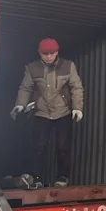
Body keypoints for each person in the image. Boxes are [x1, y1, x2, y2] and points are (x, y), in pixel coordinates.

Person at [11, 38, 84, 187]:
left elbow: (76, 87)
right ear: (40, 53)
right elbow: (26, 88)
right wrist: (20, 104)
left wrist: (77, 107)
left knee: (63, 147)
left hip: (63, 111)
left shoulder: (68, 66)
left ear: (57, 52)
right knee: (38, 147)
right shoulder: (32, 68)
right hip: (41, 112)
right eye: (45, 54)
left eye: (52, 53)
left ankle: (62, 178)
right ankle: (34, 177)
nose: (49, 56)